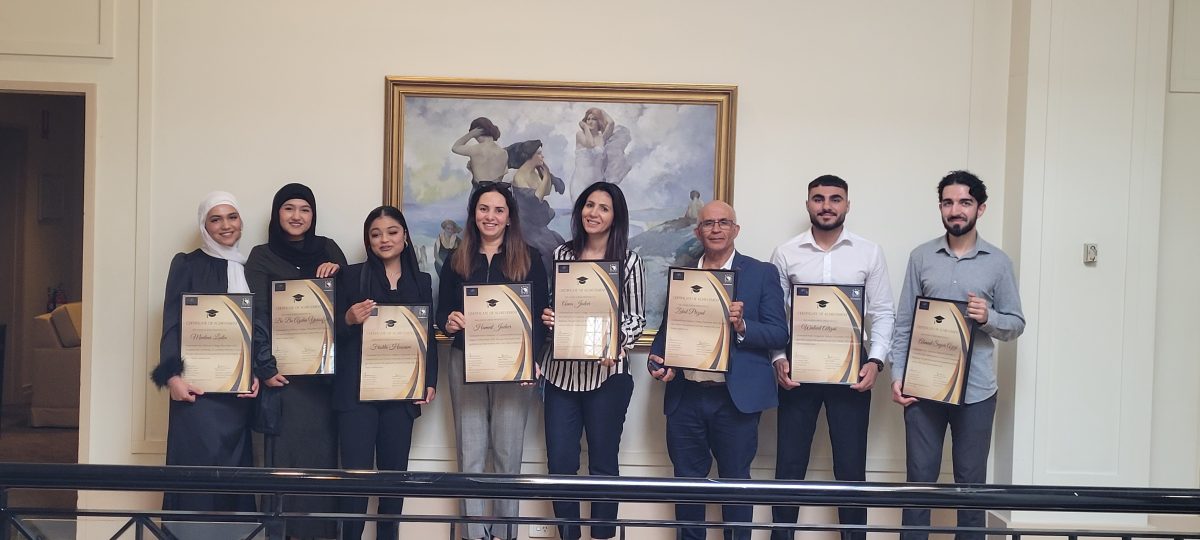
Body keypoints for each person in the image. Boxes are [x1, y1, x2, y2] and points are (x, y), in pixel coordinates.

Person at [889, 171, 1025, 540]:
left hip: (976, 392)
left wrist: (989, 317)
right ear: (940, 208)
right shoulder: (921, 257)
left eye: (964, 202)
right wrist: (897, 376)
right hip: (923, 388)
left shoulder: (998, 263)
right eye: (948, 202)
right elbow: (904, 323)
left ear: (980, 208)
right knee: (918, 484)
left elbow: (1015, 324)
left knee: (971, 487)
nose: (955, 210)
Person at [647, 201, 789, 540]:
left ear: (735, 230)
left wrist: (742, 326)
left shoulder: (760, 272)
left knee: (736, 486)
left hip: (734, 400)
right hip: (686, 398)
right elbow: (667, 332)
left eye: (723, 222)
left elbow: (779, 333)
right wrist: (657, 359)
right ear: (698, 231)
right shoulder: (682, 274)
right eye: (708, 223)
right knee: (687, 487)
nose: (715, 228)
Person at [767, 175, 895, 540]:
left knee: (851, 465)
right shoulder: (785, 252)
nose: (827, 205)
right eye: (819, 198)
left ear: (847, 205)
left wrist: (877, 361)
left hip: (854, 366)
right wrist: (778, 357)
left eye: (835, 199)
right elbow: (775, 314)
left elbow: (883, 312)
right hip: (797, 367)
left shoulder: (869, 252)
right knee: (789, 464)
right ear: (808, 204)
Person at [436, 182, 550, 540]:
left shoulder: (530, 258)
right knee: (470, 455)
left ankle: (505, 534)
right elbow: (442, 315)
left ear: (509, 216)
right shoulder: (456, 259)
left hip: (514, 367)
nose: (491, 216)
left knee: (507, 455)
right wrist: (450, 321)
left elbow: (540, 318)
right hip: (465, 363)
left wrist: (534, 360)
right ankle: (472, 536)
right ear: (474, 215)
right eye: (484, 209)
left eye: (499, 210)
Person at [539, 182, 646, 540]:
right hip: (561, 376)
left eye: (603, 207)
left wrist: (615, 343)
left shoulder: (629, 260)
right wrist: (550, 318)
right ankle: (567, 534)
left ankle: (601, 535)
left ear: (616, 216)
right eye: (589, 205)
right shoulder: (562, 256)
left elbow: (635, 318)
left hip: (608, 376)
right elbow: (553, 306)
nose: (594, 213)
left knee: (603, 462)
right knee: (561, 464)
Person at [244, 182, 347, 540]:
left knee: (322, 468)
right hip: (284, 379)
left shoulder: (329, 249)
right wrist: (264, 367)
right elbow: (255, 314)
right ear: (277, 214)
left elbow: (346, 307)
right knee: (285, 469)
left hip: (323, 381)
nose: (297, 216)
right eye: (289, 208)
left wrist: (339, 275)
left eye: (305, 209)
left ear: (313, 215)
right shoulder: (261, 256)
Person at [151, 191, 260, 527]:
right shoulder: (187, 264)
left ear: (241, 221)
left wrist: (253, 374)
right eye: (215, 219)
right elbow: (172, 324)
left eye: (232, 217)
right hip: (195, 393)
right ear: (204, 225)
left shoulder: (251, 268)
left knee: (233, 480)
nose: (225, 225)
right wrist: (172, 378)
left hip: (236, 398)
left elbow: (257, 331)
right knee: (196, 480)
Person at [334, 206, 438, 540]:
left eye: (392, 232)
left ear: (405, 236)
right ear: (368, 239)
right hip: (356, 395)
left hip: (402, 393)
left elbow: (428, 338)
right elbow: (325, 336)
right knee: (355, 480)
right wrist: (348, 319)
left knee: (394, 481)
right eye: (376, 233)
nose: (384, 239)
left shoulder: (421, 281)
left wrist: (430, 380)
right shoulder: (350, 276)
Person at [504, 139, 565, 273]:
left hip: (537, 223)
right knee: (548, 250)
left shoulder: (536, 171)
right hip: (526, 226)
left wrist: (547, 175)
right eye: (539, 154)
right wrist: (547, 175)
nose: (542, 156)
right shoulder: (520, 177)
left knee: (559, 244)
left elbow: (546, 190)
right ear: (530, 156)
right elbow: (538, 197)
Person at [571, 107, 632, 200]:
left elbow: (611, 123)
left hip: (598, 182)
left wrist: (599, 111)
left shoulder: (602, 138)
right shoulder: (580, 135)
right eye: (588, 119)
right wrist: (585, 128)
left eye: (594, 119)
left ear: (599, 121)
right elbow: (590, 144)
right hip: (581, 182)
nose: (590, 121)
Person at [452, 117, 509, 184]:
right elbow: (500, 176)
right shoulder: (504, 153)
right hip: (498, 191)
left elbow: (455, 147)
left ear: (477, 132)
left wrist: (471, 134)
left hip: (480, 190)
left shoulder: (475, 149)